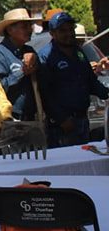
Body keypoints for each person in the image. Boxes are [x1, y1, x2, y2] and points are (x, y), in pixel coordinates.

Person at [38, 10, 109, 146]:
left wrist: (106, 93)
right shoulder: (46, 56)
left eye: (71, 29)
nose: (69, 34)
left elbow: (90, 82)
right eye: (63, 31)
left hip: (83, 119)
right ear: (52, 33)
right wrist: (62, 119)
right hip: (62, 125)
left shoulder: (78, 52)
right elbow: (45, 93)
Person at [0, 8, 42, 121]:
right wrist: (22, 71)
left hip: (32, 115)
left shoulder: (29, 50)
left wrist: (36, 64)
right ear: (10, 30)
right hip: (12, 118)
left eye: (29, 26)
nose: (29, 30)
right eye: (24, 27)